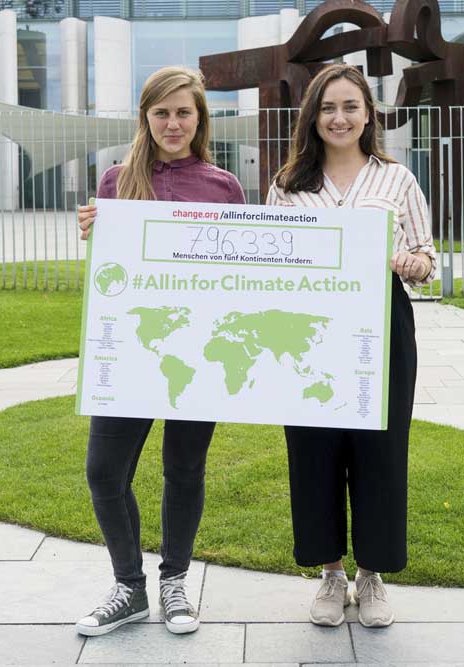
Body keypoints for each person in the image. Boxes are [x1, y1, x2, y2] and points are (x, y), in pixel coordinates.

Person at [73, 66, 245, 637]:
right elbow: (111, 277)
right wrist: (95, 234)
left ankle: (175, 582)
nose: (173, 124)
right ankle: (130, 587)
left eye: (184, 112)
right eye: (162, 113)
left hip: (198, 355)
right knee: (104, 472)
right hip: (131, 352)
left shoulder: (225, 187)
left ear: (200, 118)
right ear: (145, 117)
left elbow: (240, 276)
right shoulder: (116, 181)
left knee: (184, 468)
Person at [266, 64, 436, 629]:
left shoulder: (397, 180)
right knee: (313, 451)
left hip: (380, 324)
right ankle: (331, 575)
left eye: (350, 107)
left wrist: (416, 264)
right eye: (328, 108)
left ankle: (372, 575)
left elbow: (426, 259)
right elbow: (266, 262)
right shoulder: (289, 185)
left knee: (381, 450)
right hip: (306, 330)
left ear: (369, 114)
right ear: (312, 117)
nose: (339, 118)